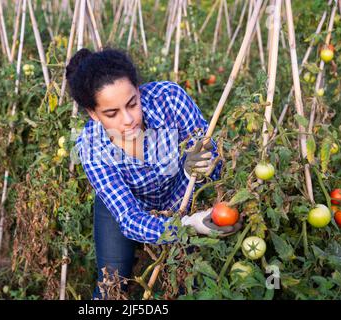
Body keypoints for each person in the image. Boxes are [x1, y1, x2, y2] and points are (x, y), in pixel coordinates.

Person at [66, 47, 242, 299]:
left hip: (180, 195)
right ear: (93, 114)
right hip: (125, 207)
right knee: (112, 284)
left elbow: (213, 157)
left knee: (186, 281)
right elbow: (128, 218)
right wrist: (186, 227)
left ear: (138, 90)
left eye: (132, 104)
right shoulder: (91, 146)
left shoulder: (169, 99)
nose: (128, 119)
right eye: (111, 113)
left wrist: (202, 165)